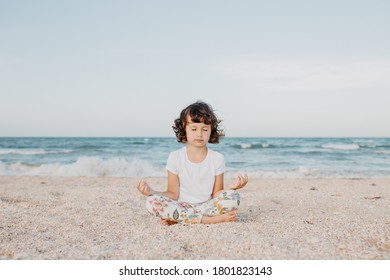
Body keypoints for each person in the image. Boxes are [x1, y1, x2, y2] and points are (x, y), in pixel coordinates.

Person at [135, 101, 248, 225]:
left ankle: (179, 218)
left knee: (234, 197)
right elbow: (172, 193)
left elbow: (216, 193)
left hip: (207, 206)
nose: (199, 134)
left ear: (211, 130)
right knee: (151, 202)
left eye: (205, 129)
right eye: (194, 129)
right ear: (184, 129)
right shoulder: (175, 157)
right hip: (181, 205)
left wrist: (233, 188)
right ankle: (207, 220)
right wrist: (151, 192)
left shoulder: (217, 158)